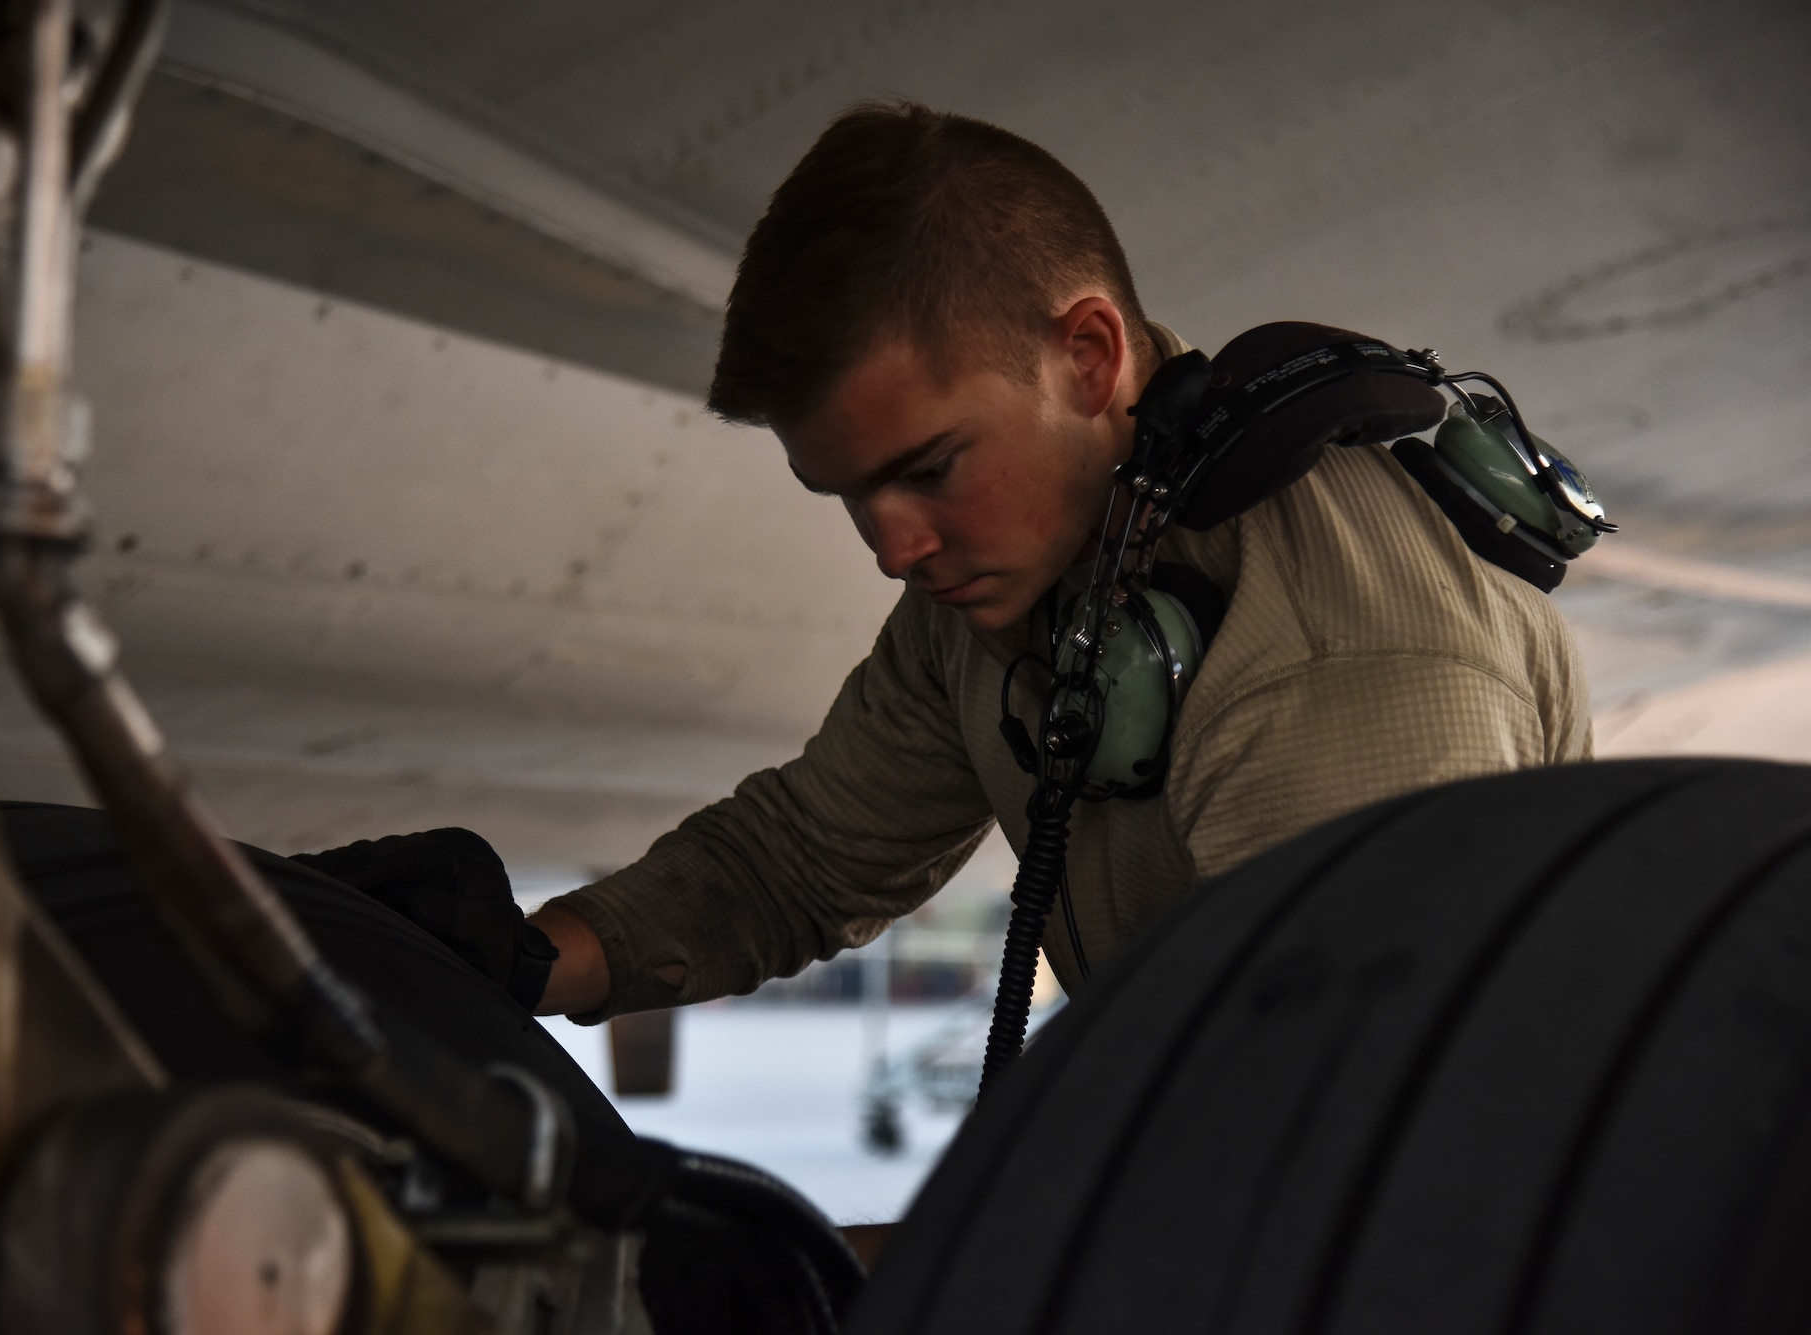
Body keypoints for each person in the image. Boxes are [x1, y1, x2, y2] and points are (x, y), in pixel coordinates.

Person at [318, 101, 1591, 1024]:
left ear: (1087, 358)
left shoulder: (1323, 664)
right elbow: (801, 857)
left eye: (926, 468)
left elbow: (1354, 1158)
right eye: (848, 495)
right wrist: (519, 959)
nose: (891, 548)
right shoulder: (1026, 565)